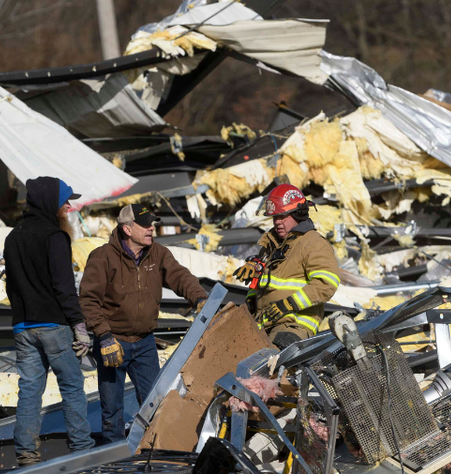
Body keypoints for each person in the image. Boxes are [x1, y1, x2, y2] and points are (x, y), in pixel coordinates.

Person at [80, 203, 208, 442]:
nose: (152, 229)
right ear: (128, 229)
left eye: (152, 224)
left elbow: (180, 276)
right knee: (112, 409)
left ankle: (153, 449)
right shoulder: (102, 257)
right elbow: (88, 300)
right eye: (146, 225)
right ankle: (114, 457)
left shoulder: (157, 253)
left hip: (145, 343)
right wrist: (104, 336)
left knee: (156, 404)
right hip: (112, 341)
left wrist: (200, 297)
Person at [4, 176, 95, 466]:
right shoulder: (55, 237)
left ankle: (26, 453)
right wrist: (79, 327)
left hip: (23, 327)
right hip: (54, 326)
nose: (69, 206)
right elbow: (64, 287)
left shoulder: (13, 237)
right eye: (64, 201)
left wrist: (20, 317)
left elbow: (11, 286)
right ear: (50, 202)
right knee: (71, 385)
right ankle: (82, 450)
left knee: (30, 389)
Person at [232, 184, 340, 349]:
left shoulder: (313, 243)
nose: (278, 222)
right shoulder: (272, 244)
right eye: (275, 217)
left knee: (272, 367)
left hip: (294, 325)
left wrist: (289, 304)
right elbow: (261, 282)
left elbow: (326, 283)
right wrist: (250, 301)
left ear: (298, 213)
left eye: (283, 216)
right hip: (264, 324)